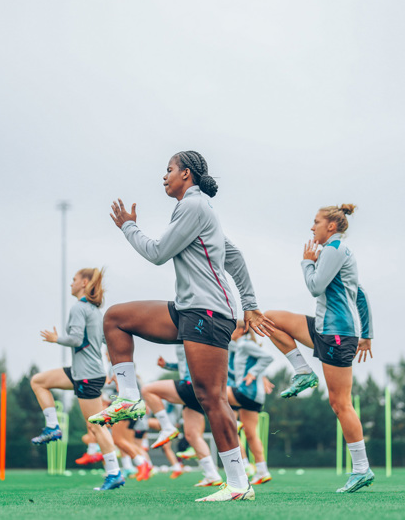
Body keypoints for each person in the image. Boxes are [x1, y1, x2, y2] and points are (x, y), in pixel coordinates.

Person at [89, 150, 274, 502]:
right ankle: (129, 397)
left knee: (211, 398)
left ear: (186, 174)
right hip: (189, 308)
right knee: (115, 318)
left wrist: (128, 226)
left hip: (207, 313)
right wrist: (248, 304)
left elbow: (158, 252)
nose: (164, 176)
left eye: (169, 169)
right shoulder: (198, 208)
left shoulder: (195, 206)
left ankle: (238, 484)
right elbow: (234, 257)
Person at [263, 204, 375, 493]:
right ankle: (302, 372)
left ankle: (362, 469)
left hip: (337, 334)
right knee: (267, 319)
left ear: (331, 227)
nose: (312, 228)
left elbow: (315, 286)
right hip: (325, 327)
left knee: (340, 404)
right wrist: (367, 334)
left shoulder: (334, 251)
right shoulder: (338, 252)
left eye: (316, 223)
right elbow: (360, 295)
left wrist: (306, 262)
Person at [30, 268, 125, 490]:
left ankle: (114, 473)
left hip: (87, 375)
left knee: (97, 427)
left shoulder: (79, 308)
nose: (71, 283)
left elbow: (75, 339)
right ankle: (53, 426)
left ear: (83, 283)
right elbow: (104, 341)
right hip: (81, 372)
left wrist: (56, 339)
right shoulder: (94, 311)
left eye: (73, 280)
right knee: (38, 381)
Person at [143, 344, 223, 486]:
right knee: (193, 436)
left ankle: (167, 427)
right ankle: (212, 474)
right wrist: (167, 365)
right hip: (199, 389)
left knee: (148, 390)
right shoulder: (185, 335)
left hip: (191, 385)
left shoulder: (190, 332)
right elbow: (184, 363)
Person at [227, 324, 275, 485]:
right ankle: (262, 472)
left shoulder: (246, 344)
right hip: (254, 397)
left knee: (213, 393)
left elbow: (268, 358)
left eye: (232, 328)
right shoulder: (241, 345)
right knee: (251, 434)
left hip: (247, 393)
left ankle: (235, 423)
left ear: (242, 330)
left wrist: (253, 373)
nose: (230, 331)